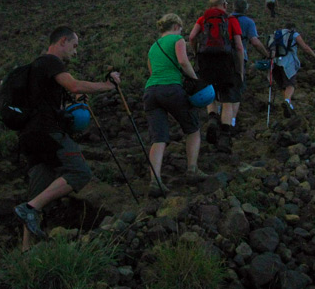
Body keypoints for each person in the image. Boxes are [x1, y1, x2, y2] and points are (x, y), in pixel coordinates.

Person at [13, 26, 121, 252]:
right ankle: (31, 208)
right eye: (74, 46)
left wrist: (76, 102)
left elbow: (55, 104)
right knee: (79, 172)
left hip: (29, 136)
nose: (76, 51)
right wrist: (107, 86)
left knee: (38, 191)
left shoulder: (35, 68)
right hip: (47, 132)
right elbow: (74, 85)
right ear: (62, 41)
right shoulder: (51, 62)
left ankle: (25, 252)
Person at [144, 14, 208, 197]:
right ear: (176, 26)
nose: (181, 31)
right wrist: (195, 80)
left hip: (150, 92)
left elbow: (151, 71)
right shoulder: (178, 39)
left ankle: (155, 181)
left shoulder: (153, 46)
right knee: (193, 128)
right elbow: (182, 61)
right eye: (180, 28)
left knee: (159, 138)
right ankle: (192, 170)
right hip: (171, 88)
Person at [189, 0, 245, 153]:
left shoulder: (203, 19)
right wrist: (239, 69)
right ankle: (225, 138)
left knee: (211, 92)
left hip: (206, 61)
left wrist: (196, 53)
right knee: (227, 98)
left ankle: (212, 119)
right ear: (224, 5)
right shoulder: (231, 20)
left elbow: (192, 37)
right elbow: (239, 47)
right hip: (226, 62)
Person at [230, 0, 270, 127]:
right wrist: (266, 54)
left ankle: (219, 114)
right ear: (246, 8)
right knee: (236, 87)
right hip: (239, 57)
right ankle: (231, 120)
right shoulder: (248, 22)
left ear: (233, 6)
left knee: (221, 85)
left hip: (220, 57)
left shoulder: (224, 19)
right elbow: (255, 42)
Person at [270, 24, 315, 117]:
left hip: (275, 63)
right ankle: (286, 101)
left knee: (283, 86)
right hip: (288, 63)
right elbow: (305, 47)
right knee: (290, 84)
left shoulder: (276, 34)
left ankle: (289, 105)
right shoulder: (294, 34)